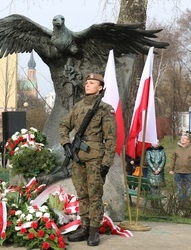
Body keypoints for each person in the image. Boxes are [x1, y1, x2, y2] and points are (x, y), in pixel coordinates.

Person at [59, 73, 117, 246]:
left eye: (92, 83)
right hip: (78, 158)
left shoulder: (105, 109)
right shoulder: (77, 106)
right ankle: (84, 227)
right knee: (82, 194)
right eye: (86, 82)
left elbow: (111, 138)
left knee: (94, 195)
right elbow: (63, 125)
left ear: (100, 87)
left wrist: (106, 163)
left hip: (95, 158)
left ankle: (93, 231)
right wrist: (66, 144)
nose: (87, 85)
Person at [169, 133, 191, 202]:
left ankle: (186, 202)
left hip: (188, 172)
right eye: (181, 138)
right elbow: (173, 159)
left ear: (188, 141)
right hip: (178, 172)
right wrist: (171, 169)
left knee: (188, 188)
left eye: (184, 138)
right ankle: (181, 202)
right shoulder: (176, 149)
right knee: (179, 188)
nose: (182, 139)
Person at [145, 139, 166, 207]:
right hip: (151, 172)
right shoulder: (149, 151)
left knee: (158, 187)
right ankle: (153, 202)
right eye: (155, 142)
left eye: (158, 142)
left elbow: (163, 160)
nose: (157, 143)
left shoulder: (162, 150)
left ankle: (158, 202)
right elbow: (148, 160)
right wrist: (154, 169)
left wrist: (159, 169)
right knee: (152, 187)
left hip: (160, 172)